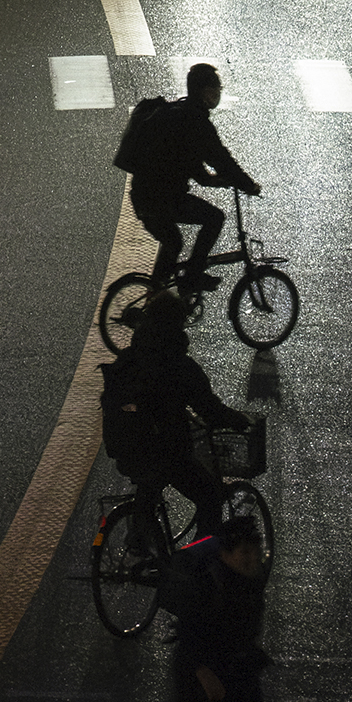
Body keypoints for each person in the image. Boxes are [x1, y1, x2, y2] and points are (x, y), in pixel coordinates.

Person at [110, 511, 290, 702]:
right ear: (225, 554)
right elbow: (190, 637)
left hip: (237, 661)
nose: (250, 559)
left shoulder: (251, 574)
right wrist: (206, 675)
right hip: (199, 668)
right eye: (242, 553)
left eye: (253, 550)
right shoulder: (206, 586)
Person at [103, 290, 254, 540]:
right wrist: (236, 419)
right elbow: (209, 408)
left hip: (125, 447)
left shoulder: (130, 358)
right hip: (165, 451)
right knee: (209, 498)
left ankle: (141, 541)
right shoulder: (179, 365)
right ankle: (194, 565)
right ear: (178, 324)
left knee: (148, 487)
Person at [128, 62, 261, 300]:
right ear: (205, 91)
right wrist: (247, 184)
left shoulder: (179, 114)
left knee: (173, 243)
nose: (219, 92)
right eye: (216, 88)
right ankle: (192, 276)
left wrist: (214, 180)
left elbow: (191, 166)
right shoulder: (196, 122)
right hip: (160, 198)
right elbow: (221, 159)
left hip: (145, 194)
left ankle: (154, 296)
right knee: (214, 218)